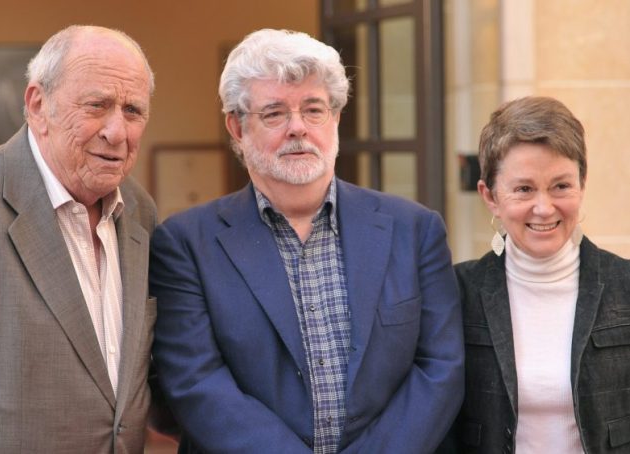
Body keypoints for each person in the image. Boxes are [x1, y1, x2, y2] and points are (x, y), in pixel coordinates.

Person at [149, 28, 463, 454]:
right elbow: (196, 382)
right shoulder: (185, 244)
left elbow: (439, 370)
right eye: (274, 113)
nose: (298, 128)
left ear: (334, 118)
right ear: (237, 128)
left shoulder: (415, 230)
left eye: (313, 109)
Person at [0, 25, 157, 453]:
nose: (117, 132)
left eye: (133, 111)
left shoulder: (140, 210)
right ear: (38, 105)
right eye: (97, 105)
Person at [443, 96, 630, 453]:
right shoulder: (457, 293)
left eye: (561, 186)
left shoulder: (625, 286)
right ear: (490, 196)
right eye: (524, 189)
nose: (544, 208)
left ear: (582, 184)